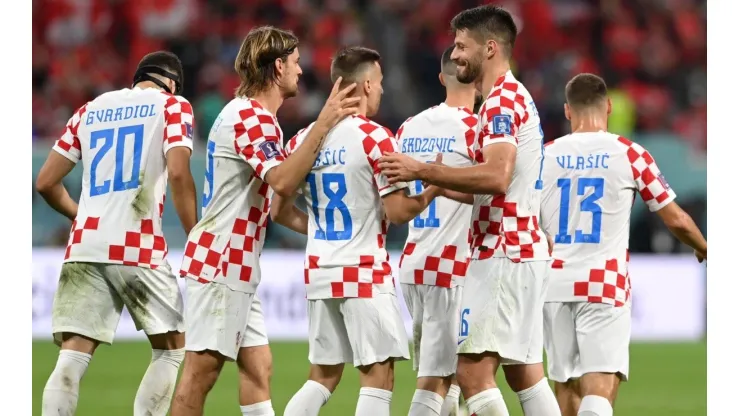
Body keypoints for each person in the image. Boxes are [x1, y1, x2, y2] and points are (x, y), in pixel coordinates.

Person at [379, 5, 561, 416]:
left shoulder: (499, 104)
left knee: (472, 373)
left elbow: (497, 176)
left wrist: (423, 169)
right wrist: (439, 184)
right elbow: (496, 189)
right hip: (520, 247)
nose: (456, 54)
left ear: (490, 48)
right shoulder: (512, 98)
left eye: (462, 46)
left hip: (502, 251)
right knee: (525, 373)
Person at [169, 26, 359, 416]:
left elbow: (275, 202)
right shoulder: (250, 117)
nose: (301, 72)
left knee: (258, 368)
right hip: (222, 263)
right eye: (295, 63)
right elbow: (282, 180)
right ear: (277, 67)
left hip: (235, 264)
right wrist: (323, 124)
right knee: (200, 375)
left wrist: (320, 228)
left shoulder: (254, 117)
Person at [273, 46, 443, 416]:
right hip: (363, 271)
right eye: (379, 83)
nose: (381, 90)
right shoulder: (374, 137)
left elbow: (279, 209)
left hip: (319, 271)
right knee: (378, 377)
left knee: (322, 375)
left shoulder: (301, 140)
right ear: (367, 85)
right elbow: (397, 213)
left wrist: (322, 228)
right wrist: (433, 188)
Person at [36, 51, 198, 416]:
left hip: (85, 243)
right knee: (172, 347)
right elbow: (177, 173)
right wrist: (195, 233)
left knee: (73, 354)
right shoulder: (173, 106)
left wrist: (81, 215)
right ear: (171, 83)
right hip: (136, 242)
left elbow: (46, 181)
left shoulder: (90, 109)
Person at [539, 73, 708, 416]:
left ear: (568, 111)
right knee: (600, 384)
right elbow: (674, 218)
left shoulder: (545, 156)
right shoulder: (629, 153)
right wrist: (703, 247)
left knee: (567, 384)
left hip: (553, 283)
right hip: (604, 283)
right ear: (610, 107)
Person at [395, 45, 479, 416]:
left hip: (414, 261)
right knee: (436, 380)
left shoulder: (408, 127)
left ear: (442, 78)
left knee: (452, 378)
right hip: (453, 265)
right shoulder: (477, 130)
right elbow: (491, 190)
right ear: (477, 80)